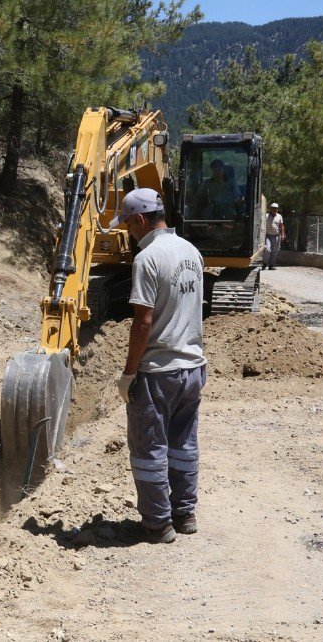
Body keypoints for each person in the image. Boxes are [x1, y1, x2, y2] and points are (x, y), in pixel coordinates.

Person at [110, 188, 207, 544]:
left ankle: (157, 524)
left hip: (158, 372)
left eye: (128, 227)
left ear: (139, 219)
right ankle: (185, 513)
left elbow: (143, 323)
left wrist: (130, 373)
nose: (129, 234)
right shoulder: (192, 252)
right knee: (183, 444)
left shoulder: (148, 258)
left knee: (149, 448)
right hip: (193, 367)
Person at [263, 203, 286, 270]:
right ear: (270, 208)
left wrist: (282, 235)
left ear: (277, 209)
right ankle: (264, 263)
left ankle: (271, 265)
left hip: (276, 236)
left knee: (275, 251)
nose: (274, 209)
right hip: (267, 235)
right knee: (267, 249)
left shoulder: (279, 216)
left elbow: (281, 226)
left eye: (275, 208)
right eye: (273, 208)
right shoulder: (266, 216)